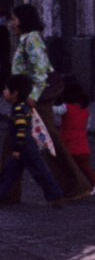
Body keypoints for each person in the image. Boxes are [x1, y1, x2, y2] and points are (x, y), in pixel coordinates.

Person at [8, 3, 89, 200]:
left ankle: (76, 186)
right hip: (23, 99)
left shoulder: (32, 40)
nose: (11, 23)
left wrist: (32, 97)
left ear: (24, 20)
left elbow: (41, 72)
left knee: (48, 143)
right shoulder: (25, 39)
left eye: (14, 19)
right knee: (13, 144)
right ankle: (7, 192)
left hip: (34, 101)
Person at [0, 74, 65, 208]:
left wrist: (17, 149)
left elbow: (21, 131)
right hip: (25, 147)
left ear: (15, 93)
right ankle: (55, 195)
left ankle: (56, 195)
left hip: (24, 148)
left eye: (6, 89)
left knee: (36, 171)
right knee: (11, 172)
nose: (3, 91)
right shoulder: (21, 107)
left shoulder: (18, 109)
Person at [57, 79, 95, 196]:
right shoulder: (85, 111)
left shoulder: (65, 108)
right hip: (83, 146)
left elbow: (54, 111)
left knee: (67, 169)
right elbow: (87, 127)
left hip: (69, 145)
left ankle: (71, 188)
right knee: (85, 167)